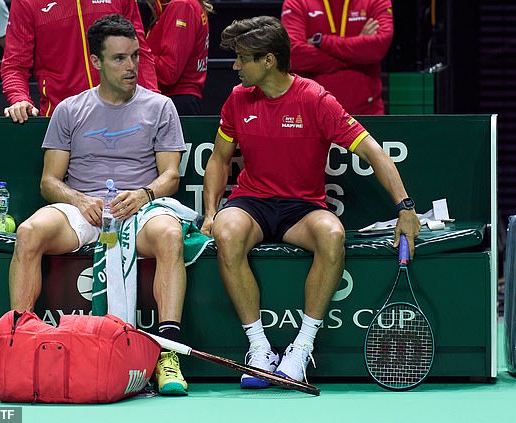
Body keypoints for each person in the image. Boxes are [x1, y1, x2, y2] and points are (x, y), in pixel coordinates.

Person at [200, 16, 420, 388]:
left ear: (268, 61)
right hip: (252, 202)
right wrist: (209, 213)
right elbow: (220, 159)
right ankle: (260, 350)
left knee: (332, 235)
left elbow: (374, 152)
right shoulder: (239, 99)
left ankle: (301, 348)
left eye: (242, 59)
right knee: (226, 230)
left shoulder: (316, 100)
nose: (235, 67)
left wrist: (406, 208)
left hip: (302, 208)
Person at [8, 14, 189, 396]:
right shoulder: (70, 109)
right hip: (83, 209)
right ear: (97, 62)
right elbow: (49, 182)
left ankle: (167, 355)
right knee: (27, 233)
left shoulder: (160, 107)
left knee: (171, 235)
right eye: (119, 59)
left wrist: (144, 195)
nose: (131, 67)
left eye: (135, 57)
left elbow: (171, 175)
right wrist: (78, 199)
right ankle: (20, 345)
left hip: (138, 209)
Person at [1, 0, 158, 123]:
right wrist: (19, 98)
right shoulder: (26, 2)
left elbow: (140, 51)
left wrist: (153, 97)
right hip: (62, 121)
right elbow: (14, 65)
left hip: (124, 115)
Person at [281, 0, 393, 115]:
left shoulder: (376, 1)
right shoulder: (296, 2)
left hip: (366, 113)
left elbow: (377, 47)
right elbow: (294, 54)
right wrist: (355, 54)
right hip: (311, 113)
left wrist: (322, 41)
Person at [144, 0, 212, 115]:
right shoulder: (186, 5)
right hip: (179, 101)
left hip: (175, 104)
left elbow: (169, 72)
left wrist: (139, 54)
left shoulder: (182, 5)